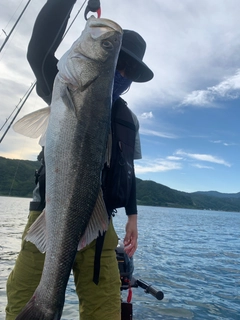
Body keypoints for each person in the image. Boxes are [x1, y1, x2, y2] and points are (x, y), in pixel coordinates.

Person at [5, 0, 153, 319]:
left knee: (105, 311)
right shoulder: (68, 88)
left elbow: (127, 171)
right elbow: (38, 52)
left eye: (131, 71)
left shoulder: (128, 119)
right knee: (22, 302)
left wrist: (133, 215)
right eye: (120, 63)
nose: (123, 74)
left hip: (101, 226)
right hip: (48, 213)